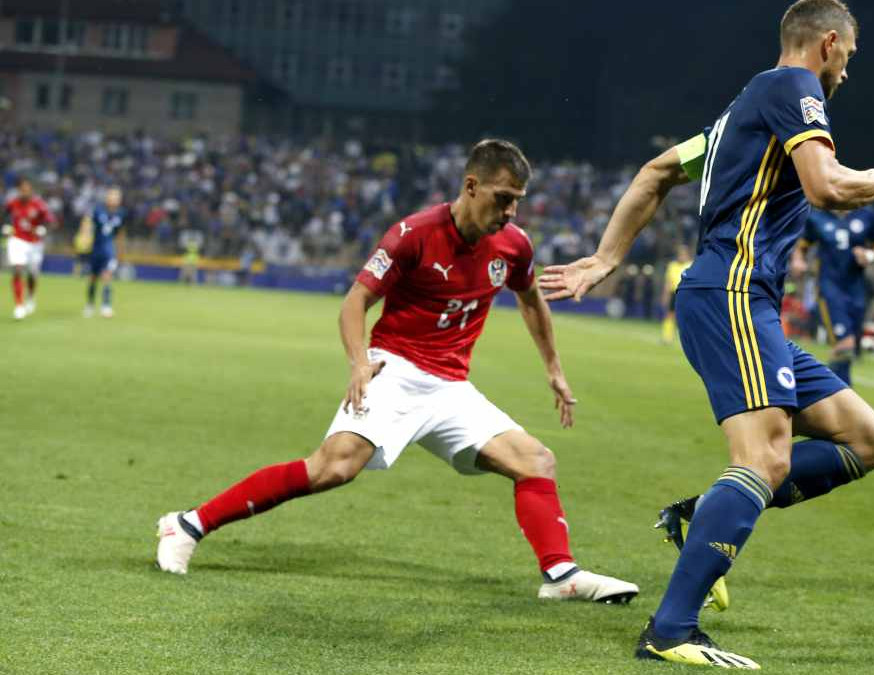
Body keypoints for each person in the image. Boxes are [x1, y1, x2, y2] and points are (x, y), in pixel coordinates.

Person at [539, 1, 874, 667]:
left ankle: (701, 515)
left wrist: (608, 256)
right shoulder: (793, 88)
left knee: (867, 439)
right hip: (732, 294)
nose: (846, 72)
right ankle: (671, 628)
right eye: (849, 57)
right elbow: (827, 186)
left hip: (742, 300)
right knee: (765, 457)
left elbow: (656, 172)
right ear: (829, 44)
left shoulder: (737, 114)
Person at [155, 140, 638, 604]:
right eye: (503, 199)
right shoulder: (414, 234)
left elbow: (531, 299)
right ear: (472, 186)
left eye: (518, 202)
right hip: (396, 369)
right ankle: (189, 524)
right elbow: (356, 301)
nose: (511, 211)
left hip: (450, 387)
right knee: (333, 467)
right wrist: (359, 363)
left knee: (536, 462)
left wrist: (554, 368)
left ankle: (561, 575)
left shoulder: (513, 245)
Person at [793, 205, 874, 385]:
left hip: (857, 290)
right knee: (845, 344)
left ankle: (827, 393)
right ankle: (842, 396)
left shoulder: (866, 214)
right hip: (829, 289)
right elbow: (801, 245)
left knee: (847, 350)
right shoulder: (817, 216)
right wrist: (798, 261)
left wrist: (870, 255)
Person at [4, 178, 56, 320]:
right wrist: (5, 227)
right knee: (17, 269)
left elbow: (52, 221)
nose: (25, 192)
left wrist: (43, 228)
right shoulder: (12, 203)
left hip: (34, 242)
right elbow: (3, 216)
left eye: (27, 189)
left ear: (31, 190)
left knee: (32, 274)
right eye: (22, 189)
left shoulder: (39, 205)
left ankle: (31, 296)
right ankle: (19, 305)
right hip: (17, 239)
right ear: (19, 190)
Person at [83, 188, 126, 318]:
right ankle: (90, 305)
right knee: (92, 278)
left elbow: (120, 233)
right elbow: (87, 223)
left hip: (109, 250)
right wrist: (85, 237)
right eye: (112, 196)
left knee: (107, 276)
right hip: (96, 249)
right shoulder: (98, 210)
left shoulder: (121, 214)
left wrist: (120, 251)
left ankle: (106, 306)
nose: (113, 199)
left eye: (116, 197)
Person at [661, 244, 693, 344]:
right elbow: (668, 282)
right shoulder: (672, 265)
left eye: (683, 253)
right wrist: (665, 295)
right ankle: (667, 337)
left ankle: (688, 338)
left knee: (687, 316)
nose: (681, 255)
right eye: (680, 253)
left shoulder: (691, 264)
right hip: (674, 293)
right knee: (670, 315)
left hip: (686, 293)